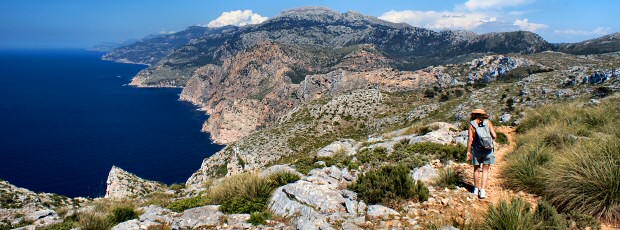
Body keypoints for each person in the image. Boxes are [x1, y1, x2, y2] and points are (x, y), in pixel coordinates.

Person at [467, 108, 497, 199]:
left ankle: (476, 189)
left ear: (474, 115)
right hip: (488, 150)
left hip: (477, 150)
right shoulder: (488, 123)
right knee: (485, 170)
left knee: (476, 169)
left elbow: (470, 139)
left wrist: (468, 151)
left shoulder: (472, 124)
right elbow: (494, 135)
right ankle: (483, 190)